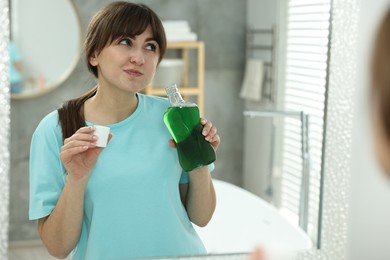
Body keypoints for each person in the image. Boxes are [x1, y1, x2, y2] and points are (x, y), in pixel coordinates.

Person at [28, 2, 220, 260]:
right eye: (125, 42)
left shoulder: (173, 118)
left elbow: (202, 217)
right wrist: (76, 178)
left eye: (150, 47)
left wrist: (198, 158)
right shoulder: (56, 129)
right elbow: (58, 247)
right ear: (94, 54)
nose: (138, 58)